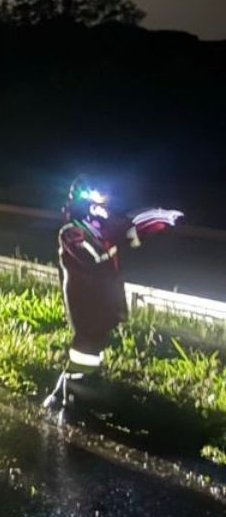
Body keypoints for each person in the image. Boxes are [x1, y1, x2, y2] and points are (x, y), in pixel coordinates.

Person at [43, 179, 182, 420]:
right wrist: (116, 242)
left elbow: (128, 234)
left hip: (105, 296)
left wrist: (153, 222)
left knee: (95, 344)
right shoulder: (71, 231)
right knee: (85, 345)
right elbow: (95, 254)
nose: (102, 209)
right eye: (96, 203)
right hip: (84, 297)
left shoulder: (105, 226)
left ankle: (62, 395)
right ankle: (70, 401)